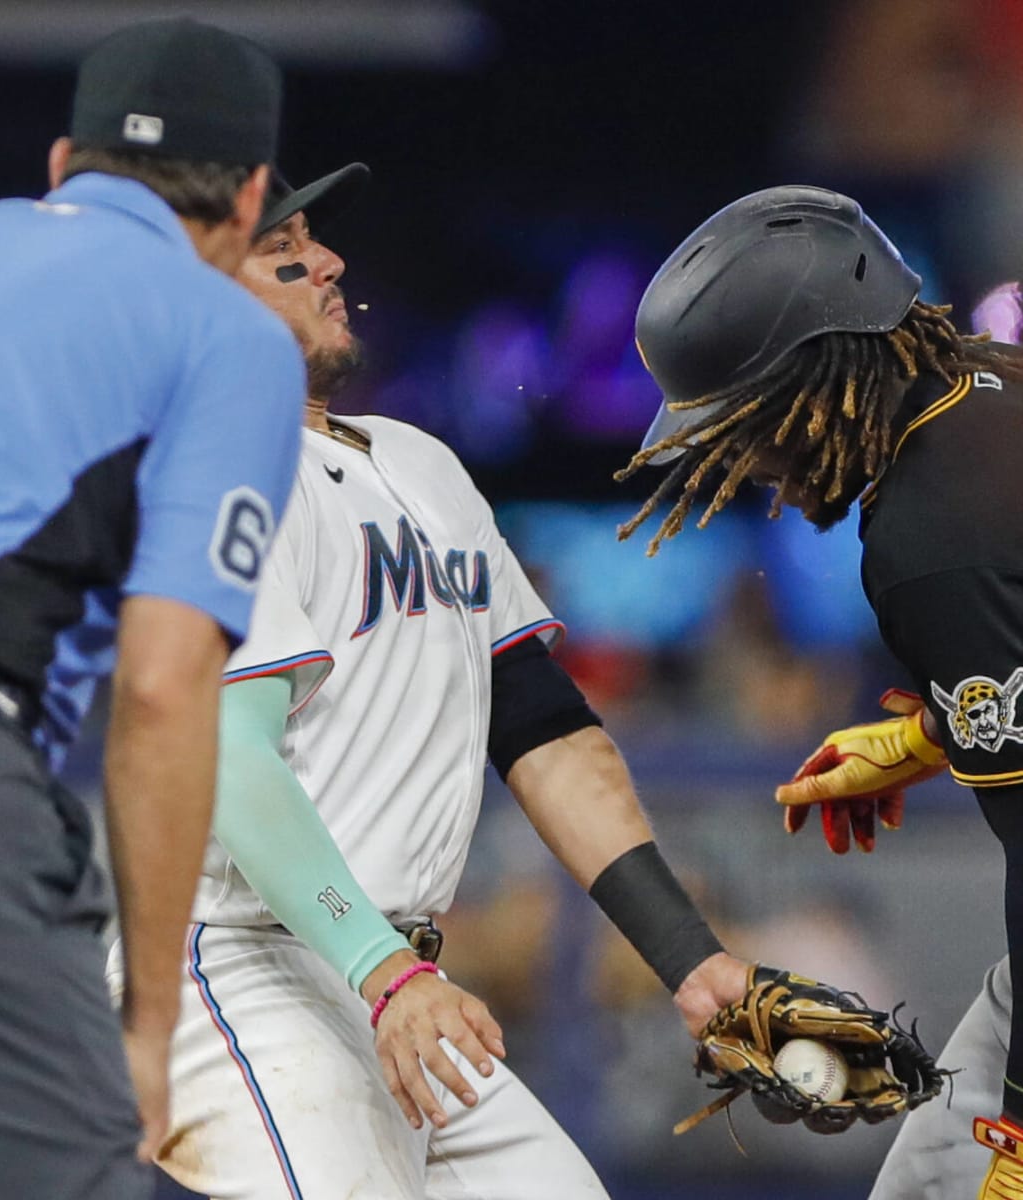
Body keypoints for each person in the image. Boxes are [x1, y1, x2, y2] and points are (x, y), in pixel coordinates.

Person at [110, 160, 761, 1200]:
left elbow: (543, 727)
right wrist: (384, 972)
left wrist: (688, 958)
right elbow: (228, 761)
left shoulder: (419, 464)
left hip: (389, 975)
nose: (327, 261)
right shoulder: (208, 474)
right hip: (241, 964)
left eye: (316, 238)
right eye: (282, 253)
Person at [0, 18, 306, 1200]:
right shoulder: (225, 331)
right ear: (248, 201)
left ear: (61, 165)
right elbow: (162, 680)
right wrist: (147, 1026)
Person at [616, 183, 1023, 1199]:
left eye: (742, 422)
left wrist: (1019, 1128)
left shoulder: (930, 538)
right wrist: (937, 731)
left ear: (815, 380)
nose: (743, 461)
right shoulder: (991, 388)